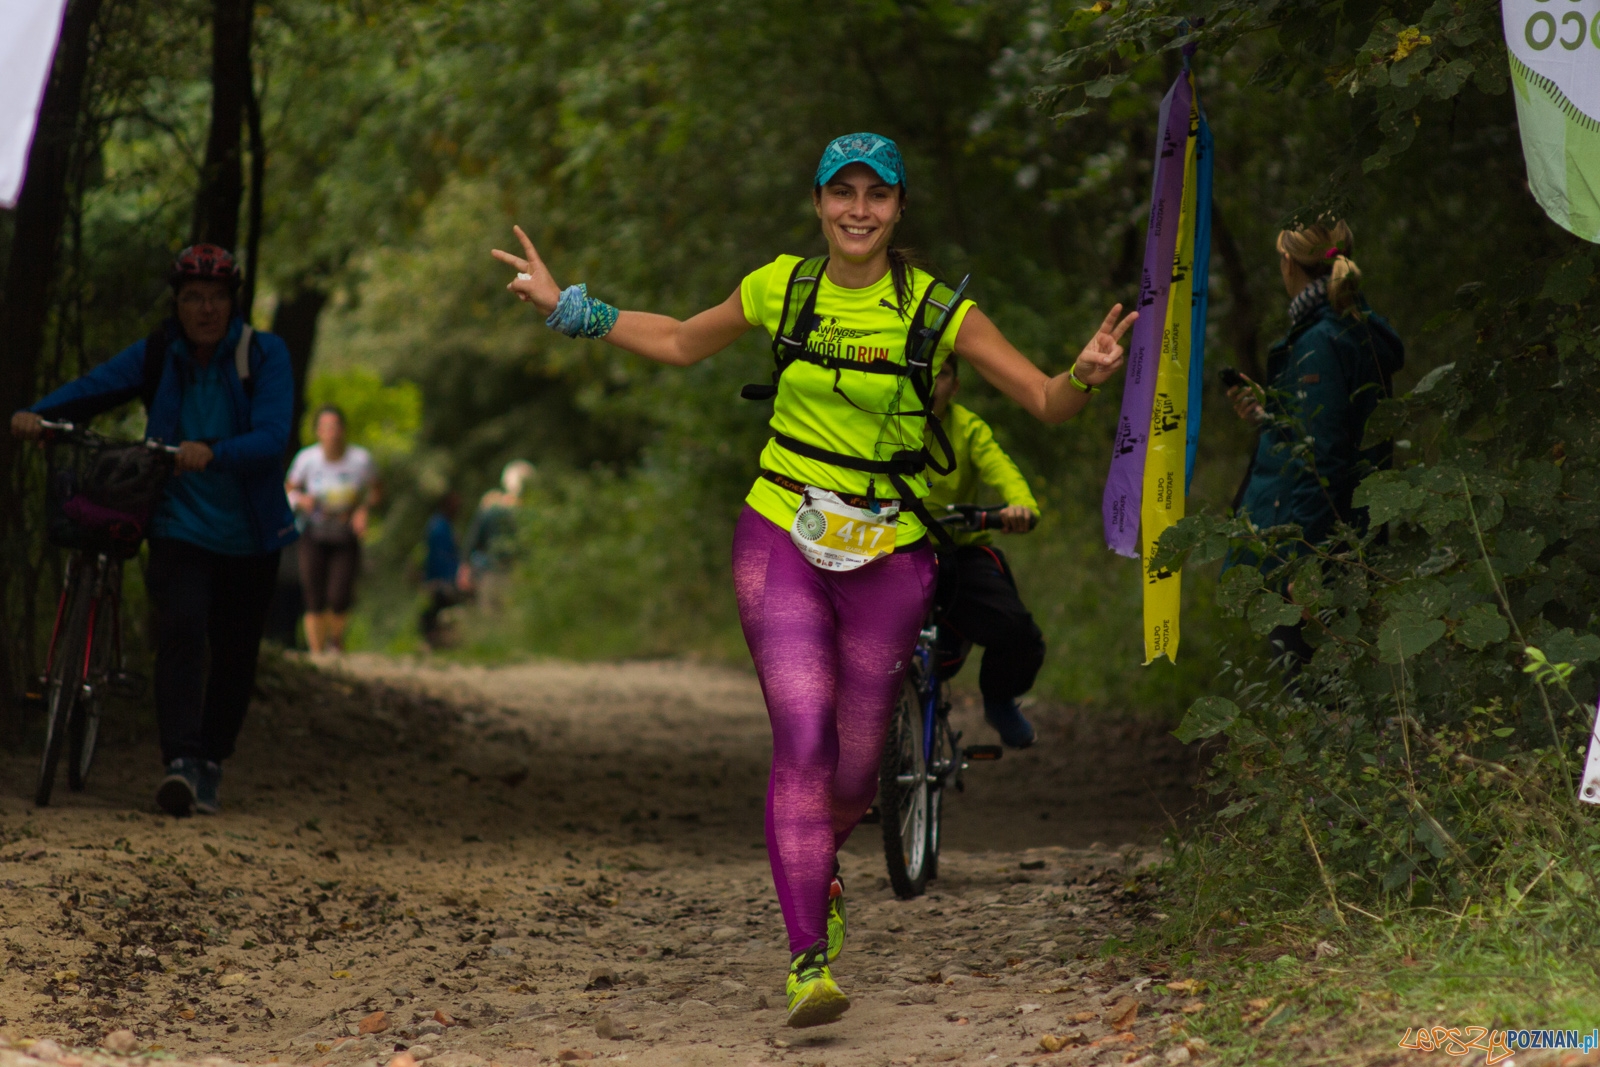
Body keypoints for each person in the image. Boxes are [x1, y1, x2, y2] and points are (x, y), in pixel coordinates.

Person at [491, 132, 1133, 1028]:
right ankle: (808, 958)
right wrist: (569, 308)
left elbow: (1042, 398)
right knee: (801, 739)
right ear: (820, 202)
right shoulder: (780, 286)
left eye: (877, 194)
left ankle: (817, 861)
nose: (859, 210)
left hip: (893, 551)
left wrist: (1085, 376)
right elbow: (679, 340)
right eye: (844, 193)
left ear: (900, 208)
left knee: (857, 773)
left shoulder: (940, 310)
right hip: (780, 529)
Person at [10, 244, 298, 817]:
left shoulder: (263, 355)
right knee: (183, 631)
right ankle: (181, 763)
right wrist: (39, 415)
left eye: (215, 298)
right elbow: (98, 385)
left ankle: (212, 759)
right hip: (179, 522)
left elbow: (272, 437)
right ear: (178, 304)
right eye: (193, 298)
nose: (205, 309)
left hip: (251, 535)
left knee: (235, 654)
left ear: (232, 304)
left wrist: (210, 452)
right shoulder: (162, 352)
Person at [1226, 218, 1404, 664]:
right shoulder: (1351, 326)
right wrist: (1271, 415)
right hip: (1350, 536)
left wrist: (1305, 564)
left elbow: (1323, 459)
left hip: (1315, 549)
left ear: (1288, 262)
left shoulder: (1320, 341)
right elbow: (1331, 429)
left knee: (1314, 687)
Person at [924, 357, 1047, 748]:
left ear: (954, 386)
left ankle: (998, 700)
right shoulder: (881, 420)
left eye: (941, 374)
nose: (930, 382)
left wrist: (1020, 505)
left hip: (958, 551)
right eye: (920, 370)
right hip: (891, 550)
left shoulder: (969, 428)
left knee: (1017, 632)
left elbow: (1002, 468)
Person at [286, 405, 378, 653]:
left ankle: (335, 640)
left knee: (340, 595)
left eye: (335, 427)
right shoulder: (307, 459)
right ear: (318, 432)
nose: (331, 433)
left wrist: (363, 510)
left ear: (344, 430)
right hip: (313, 531)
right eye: (326, 427)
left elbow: (377, 490)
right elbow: (289, 488)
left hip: (345, 533)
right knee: (313, 594)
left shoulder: (360, 460)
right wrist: (301, 500)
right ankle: (317, 654)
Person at [461, 459, 533, 611]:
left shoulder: (491, 511)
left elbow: (473, 541)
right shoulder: (529, 514)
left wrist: (465, 568)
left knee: (493, 624)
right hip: (519, 576)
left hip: (490, 574)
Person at [419, 490, 466, 647]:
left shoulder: (444, 525)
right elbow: (438, 555)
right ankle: (432, 640)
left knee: (440, 610)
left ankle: (440, 641)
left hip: (445, 576)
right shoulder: (439, 526)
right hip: (440, 577)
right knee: (438, 608)